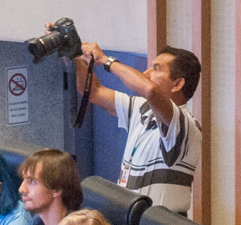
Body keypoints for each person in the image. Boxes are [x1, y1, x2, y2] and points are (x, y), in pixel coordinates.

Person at [75, 41, 202, 214]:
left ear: (177, 84)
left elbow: (150, 90)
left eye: (156, 69)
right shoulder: (142, 108)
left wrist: (106, 60)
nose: (146, 73)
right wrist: (75, 55)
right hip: (130, 218)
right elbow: (93, 91)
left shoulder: (186, 123)